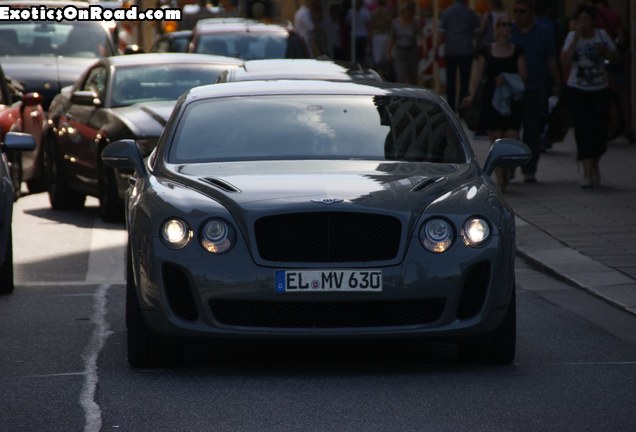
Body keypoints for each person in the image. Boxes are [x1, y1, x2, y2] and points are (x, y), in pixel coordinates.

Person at [463, 13, 527, 192]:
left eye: (509, 25)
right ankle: (500, 177)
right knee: (496, 140)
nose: (507, 28)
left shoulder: (518, 50)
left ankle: (506, 169)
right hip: (492, 100)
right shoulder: (486, 50)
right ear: (496, 28)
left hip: (512, 100)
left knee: (512, 138)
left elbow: (524, 77)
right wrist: (472, 95)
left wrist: (507, 79)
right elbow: (477, 75)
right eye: (503, 24)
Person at [560, 4, 618, 188]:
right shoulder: (572, 36)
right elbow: (564, 60)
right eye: (580, 19)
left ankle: (595, 163)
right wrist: (575, 38)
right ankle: (587, 170)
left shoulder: (601, 36)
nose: (582, 23)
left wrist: (606, 52)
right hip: (578, 89)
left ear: (593, 21)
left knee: (600, 131)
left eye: (586, 19)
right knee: (583, 130)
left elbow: (616, 57)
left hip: (599, 88)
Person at [510, 0, 562, 183]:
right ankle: (509, 167)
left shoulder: (544, 33)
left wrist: (557, 82)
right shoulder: (509, 32)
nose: (518, 15)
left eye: (522, 11)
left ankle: (529, 169)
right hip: (511, 91)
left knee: (532, 131)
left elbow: (551, 59)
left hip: (535, 88)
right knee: (511, 131)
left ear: (531, 11)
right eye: (515, 11)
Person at [591, 0, 633, 142]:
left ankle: (609, 126)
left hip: (598, 62)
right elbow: (621, 39)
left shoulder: (592, 16)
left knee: (604, 93)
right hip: (614, 59)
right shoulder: (614, 15)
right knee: (622, 93)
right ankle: (628, 126)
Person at [437, 0, 481, 112]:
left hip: (451, 50)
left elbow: (441, 33)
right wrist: (477, 49)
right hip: (466, 50)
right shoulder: (470, 13)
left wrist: (436, 49)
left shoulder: (447, 12)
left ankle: (450, 107)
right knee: (464, 81)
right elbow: (477, 33)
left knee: (450, 80)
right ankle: (462, 108)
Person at [387, 1, 424, 84]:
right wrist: (389, 52)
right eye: (406, 11)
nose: (407, 14)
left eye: (409, 12)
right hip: (400, 50)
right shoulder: (395, 23)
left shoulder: (415, 23)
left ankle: (413, 92)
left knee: (413, 74)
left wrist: (424, 47)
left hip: (412, 50)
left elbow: (421, 36)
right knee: (401, 73)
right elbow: (392, 38)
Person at [369, 0, 395, 79]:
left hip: (377, 35)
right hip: (386, 34)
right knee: (385, 55)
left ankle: (379, 74)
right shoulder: (388, 13)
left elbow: (371, 26)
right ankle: (385, 73)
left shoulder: (374, 13)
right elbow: (391, 24)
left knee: (378, 56)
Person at [345, 0, 372, 65]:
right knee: (356, 54)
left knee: (361, 54)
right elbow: (347, 23)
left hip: (362, 36)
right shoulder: (350, 12)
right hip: (355, 36)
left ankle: (360, 66)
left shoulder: (365, 12)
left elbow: (368, 25)